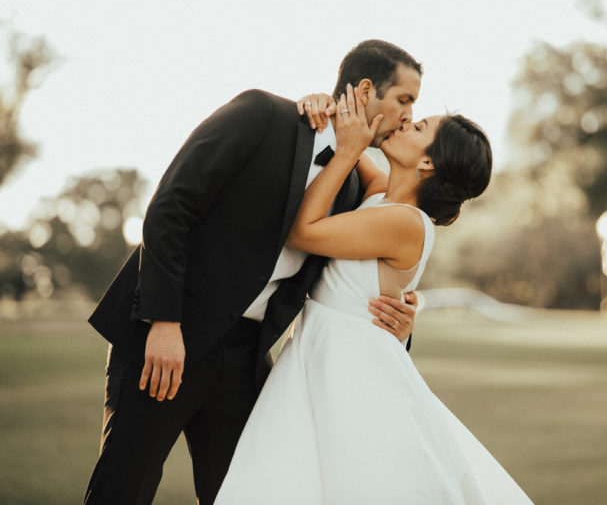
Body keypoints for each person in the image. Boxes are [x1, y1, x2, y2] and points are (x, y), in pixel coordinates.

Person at [84, 40, 425, 505]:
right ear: (366, 90)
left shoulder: (350, 185)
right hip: (165, 339)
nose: (408, 116)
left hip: (246, 359)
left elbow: (365, 274)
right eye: (405, 100)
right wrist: (164, 322)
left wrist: (402, 323)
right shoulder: (262, 115)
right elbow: (169, 207)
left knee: (248, 494)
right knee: (123, 490)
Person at [214, 86, 534, 504]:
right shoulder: (383, 195)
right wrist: (322, 106)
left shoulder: (406, 222)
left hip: (351, 367)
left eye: (418, 126)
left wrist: (347, 151)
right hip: (322, 351)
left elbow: (303, 231)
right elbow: (351, 140)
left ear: (426, 161)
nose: (405, 121)